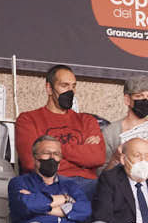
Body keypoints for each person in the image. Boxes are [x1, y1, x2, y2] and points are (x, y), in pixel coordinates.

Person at [11, 134, 112, 223]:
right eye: (47, 153)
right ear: (35, 157)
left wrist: (43, 206)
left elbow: (85, 210)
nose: (52, 158)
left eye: (56, 154)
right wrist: (64, 199)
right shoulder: (19, 182)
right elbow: (26, 205)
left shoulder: (70, 185)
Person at [14, 65, 105, 196]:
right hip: (50, 182)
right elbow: (31, 162)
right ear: (49, 88)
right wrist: (82, 154)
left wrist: (51, 150)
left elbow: (97, 157)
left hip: (88, 185)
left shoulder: (87, 120)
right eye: (64, 86)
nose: (70, 91)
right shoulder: (28, 119)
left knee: (113, 189)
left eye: (73, 86)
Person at [101, 75, 148, 186]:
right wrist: (115, 159)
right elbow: (101, 175)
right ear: (127, 99)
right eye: (139, 96)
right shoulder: (110, 132)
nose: (145, 100)